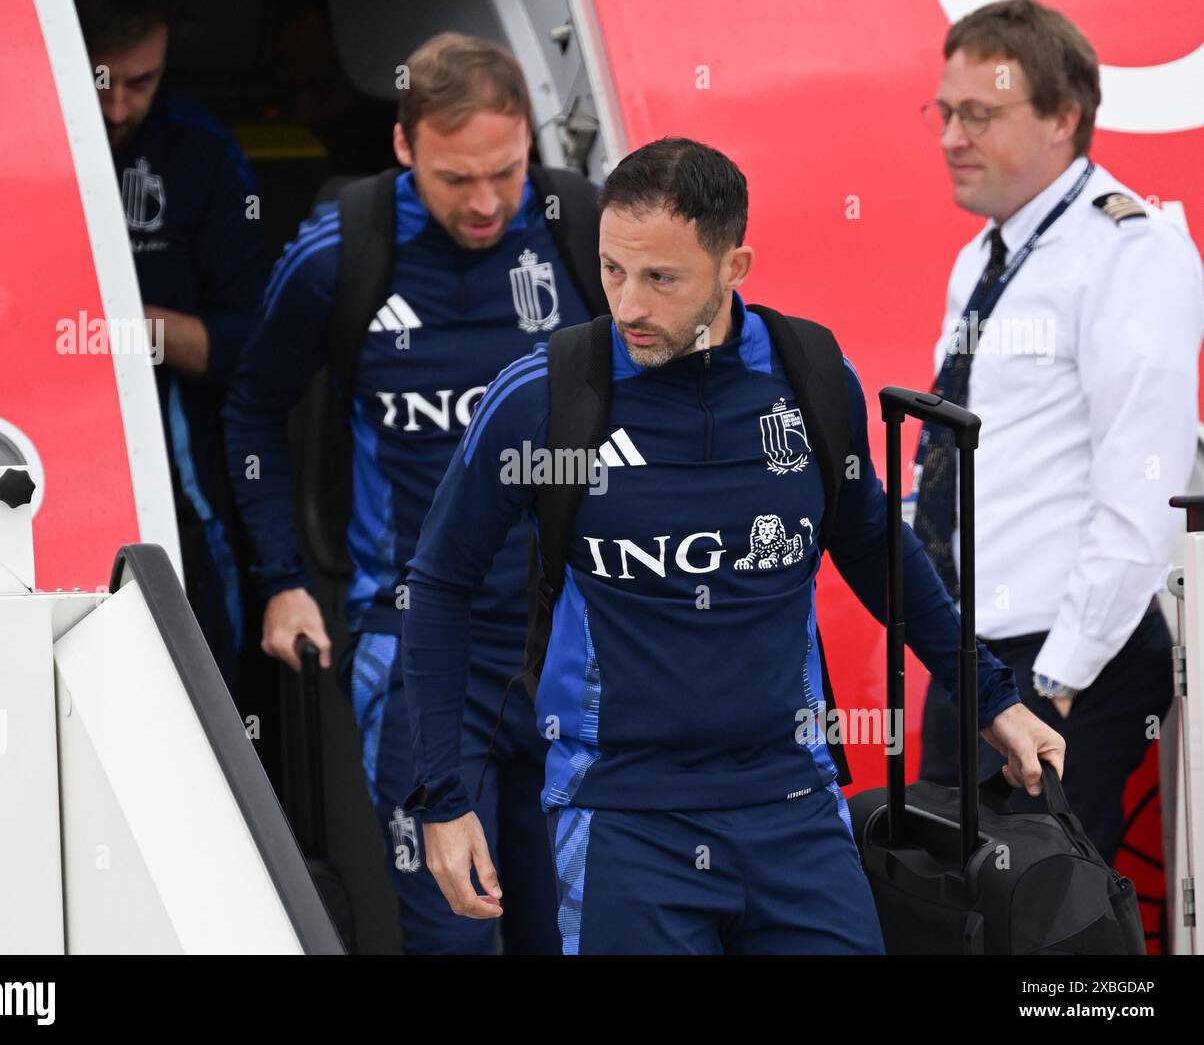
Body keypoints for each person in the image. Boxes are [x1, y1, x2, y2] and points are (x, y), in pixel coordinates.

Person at [400, 136, 1064, 954]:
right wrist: (440, 798)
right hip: (623, 813)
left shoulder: (811, 376)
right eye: (612, 270)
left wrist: (991, 697)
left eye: (661, 278)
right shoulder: (546, 397)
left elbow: (870, 543)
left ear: (734, 265)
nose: (629, 304)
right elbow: (439, 582)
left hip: (794, 803)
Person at [222, 32, 607, 954]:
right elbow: (250, 415)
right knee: (452, 936)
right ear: (405, 149)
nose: (483, 202)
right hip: (418, 650)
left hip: (571, 638)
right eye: (455, 178)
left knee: (569, 932)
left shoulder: (585, 231)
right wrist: (279, 578)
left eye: (505, 172)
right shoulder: (340, 254)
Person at [913, 0, 1204, 867]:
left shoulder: (1129, 253)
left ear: (1063, 118)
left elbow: (1143, 486)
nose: (952, 136)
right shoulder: (986, 254)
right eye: (945, 112)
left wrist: (1058, 679)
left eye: (980, 114)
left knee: (1048, 929)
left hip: (1066, 662)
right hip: (975, 653)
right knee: (941, 906)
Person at [74, 0, 269, 692]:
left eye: (142, 81)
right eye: (99, 80)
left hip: (176, 492)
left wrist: (121, 328)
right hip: (28, 475)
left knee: (203, 703)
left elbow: (255, 344)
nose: (118, 107)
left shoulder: (200, 152)